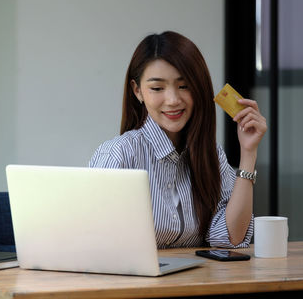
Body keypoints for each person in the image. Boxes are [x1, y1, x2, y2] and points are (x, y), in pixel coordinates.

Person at [89, 31, 267, 249]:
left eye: (184, 86)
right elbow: (96, 241)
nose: (173, 100)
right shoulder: (118, 155)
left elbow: (231, 238)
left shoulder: (212, 155)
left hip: (199, 281)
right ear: (138, 91)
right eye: (157, 88)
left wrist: (248, 153)